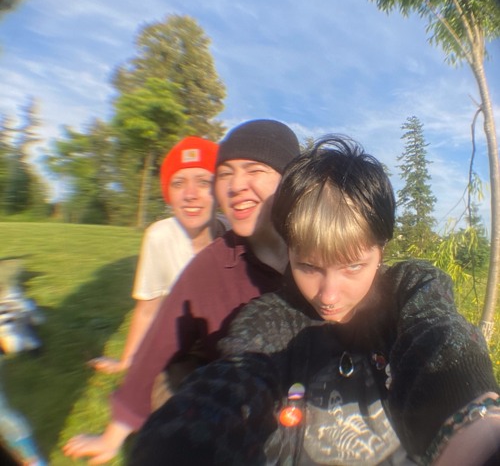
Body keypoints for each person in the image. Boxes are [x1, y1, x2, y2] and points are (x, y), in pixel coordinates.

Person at [130, 136, 500, 466]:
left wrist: (479, 431)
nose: (329, 295)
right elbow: (237, 381)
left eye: (353, 266)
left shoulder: (409, 290)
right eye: (308, 266)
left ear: (382, 248)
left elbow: (439, 339)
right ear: (288, 250)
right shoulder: (270, 320)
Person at [62, 119, 301, 464]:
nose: (236, 185)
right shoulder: (210, 266)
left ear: (290, 180)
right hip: (236, 399)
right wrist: (114, 434)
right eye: (225, 173)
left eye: (254, 170)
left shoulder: (317, 248)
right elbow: (160, 344)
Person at [88, 136, 225, 374]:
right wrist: (127, 362)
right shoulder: (159, 237)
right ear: (168, 193)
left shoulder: (236, 234)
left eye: (203, 182)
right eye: (178, 183)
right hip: (189, 348)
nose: (190, 194)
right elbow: (147, 309)